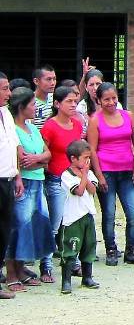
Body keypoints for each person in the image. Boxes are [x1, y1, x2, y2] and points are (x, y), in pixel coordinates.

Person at [86, 83, 134, 267]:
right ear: (98, 100)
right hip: (106, 171)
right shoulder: (95, 120)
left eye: (114, 98)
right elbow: (92, 149)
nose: (111, 102)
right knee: (110, 213)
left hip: (127, 171)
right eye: (106, 99)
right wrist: (99, 175)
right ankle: (111, 249)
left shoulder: (127, 115)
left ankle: (131, 250)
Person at [5, 87, 54, 294]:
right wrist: (38, 161)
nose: (36, 107)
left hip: (37, 182)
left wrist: (37, 160)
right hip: (22, 183)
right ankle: (11, 272)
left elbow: (47, 153)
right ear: (21, 107)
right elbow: (20, 160)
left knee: (34, 224)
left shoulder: (32, 128)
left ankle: (22, 266)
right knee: (18, 226)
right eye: (32, 104)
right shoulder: (13, 130)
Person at [40, 86, 83, 282]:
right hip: (56, 179)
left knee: (73, 221)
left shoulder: (77, 125)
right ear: (57, 104)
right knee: (55, 224)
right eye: (69, 101)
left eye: (75, 101)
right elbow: (44, 153)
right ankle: (46, 265)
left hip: (73, 179)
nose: (73, 104)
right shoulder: (49, 126)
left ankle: (73, 261)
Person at [58, 140, 100, 295]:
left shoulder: (88, 173)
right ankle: (66, 281)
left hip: (87, 215)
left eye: (89, 158)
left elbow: (92, 189)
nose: (87, 161)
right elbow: (80, 191)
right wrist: (83, 175)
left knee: (89, 246)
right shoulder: (66, 175)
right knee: (71, 248)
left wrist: (86, 174)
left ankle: (87, 277)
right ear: (73, 159)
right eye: (84, 158)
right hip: (73, 218)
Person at [0, 73, 23, 299]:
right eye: (5, 89)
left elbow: (14, 146)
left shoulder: (6, 113)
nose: (9, 93)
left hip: (7, 180)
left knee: (3, 231)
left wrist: (17, 176)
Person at [77, 69, 124, 135]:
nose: (95, 88)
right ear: (86, 87)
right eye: (91, 85)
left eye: (98, 84)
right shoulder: (81, 107)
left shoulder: (115, 105)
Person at [32, 65, 57, 131]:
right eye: (48, 79)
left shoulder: (56, 98)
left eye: (54, 79)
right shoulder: (29, 101)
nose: (53, 83)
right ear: (36, 81)